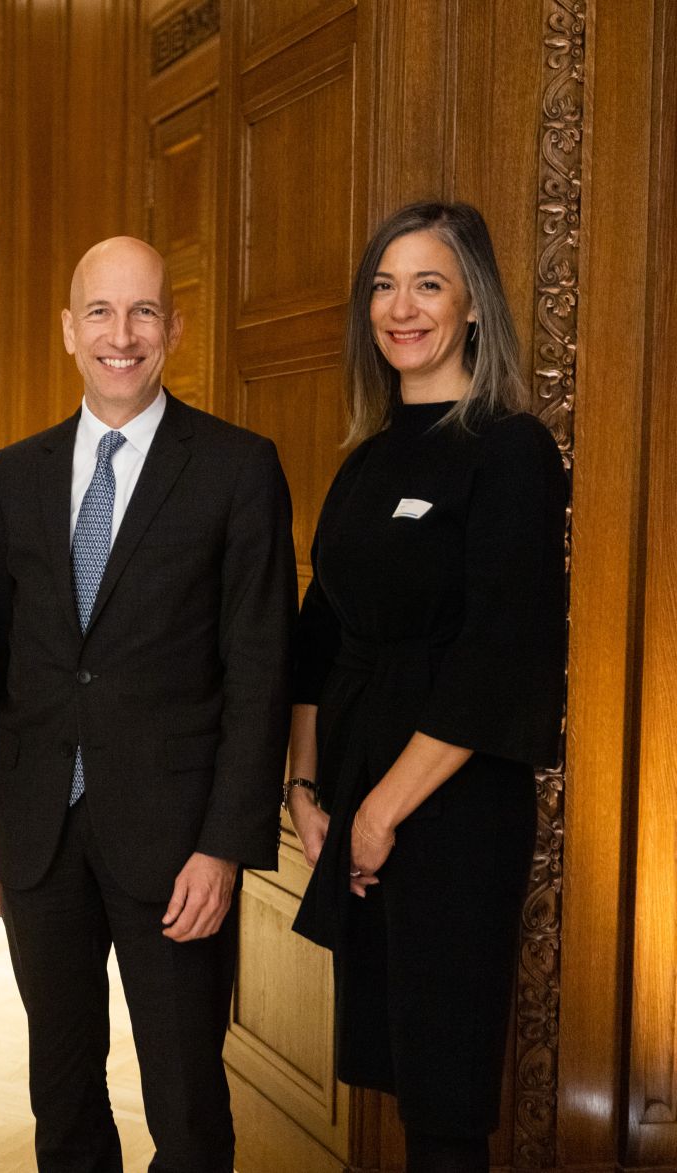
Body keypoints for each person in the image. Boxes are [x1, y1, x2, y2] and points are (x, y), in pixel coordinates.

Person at [0, 236, 296, 1172]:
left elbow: (261, 669)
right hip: (42, 836)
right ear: (69, 330)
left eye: (144, 311)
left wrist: (226, 844)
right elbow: (6, 662)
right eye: (102, 313)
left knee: (187, 1106)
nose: (123, 333)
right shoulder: (16, 474)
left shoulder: (237, 469)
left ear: (174, 329)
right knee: (61, 1099)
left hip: (178, 840)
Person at [284, 202, 566, 1172]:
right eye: (382, 285)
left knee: (444, 1093)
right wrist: (306, 789)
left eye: (427, 284)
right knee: (392, 1065)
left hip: (450, 805)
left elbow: (497, 655)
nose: (399, 308)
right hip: (362, 785)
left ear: (473, 305)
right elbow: (319, 630)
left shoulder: (508, 450)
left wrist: (378, 814)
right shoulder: (367, 457)